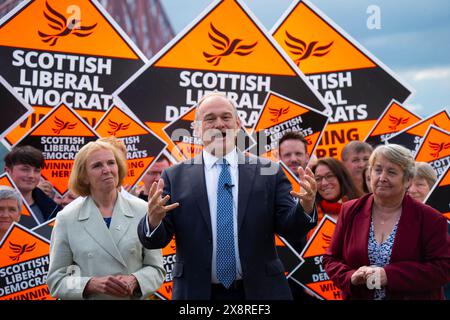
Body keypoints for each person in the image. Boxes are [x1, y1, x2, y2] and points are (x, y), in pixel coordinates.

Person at [137, 92, 318, 300]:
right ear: (197, 129)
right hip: (198, 294)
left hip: (262, 292)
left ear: (238, 124)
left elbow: (291, 228)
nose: (220, 124)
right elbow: (155, 240)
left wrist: (305, 207)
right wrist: (153, 220)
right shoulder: (174, 176)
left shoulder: (269, 171)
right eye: (210, 118)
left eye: (226, 117)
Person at [323, 144, 450, 300]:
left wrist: (389, 275)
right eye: (377, 170)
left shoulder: (431, 219)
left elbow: (443, 269)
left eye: (391, 172)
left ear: (408, 180)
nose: (382, 178)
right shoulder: (350, 211)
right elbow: (331, 259)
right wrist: (351, 277)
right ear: (369, 173)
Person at [46, 140, 165, 300]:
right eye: (97, 166)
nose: (107, 170)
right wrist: (90, 284)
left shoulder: (142, 210)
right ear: (84, 176)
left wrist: (135, 280)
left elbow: (156, 268)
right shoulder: (67, 218)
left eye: (111, 163)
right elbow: (56, 280)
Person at [4, 145, 61, 223]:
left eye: (37, 171)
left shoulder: (54, 210)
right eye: (25, 169)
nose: (31, 175)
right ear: (7, 171)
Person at [312, 157, 361, 226]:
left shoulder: (362, 207)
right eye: (318, 179)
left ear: (341, 178)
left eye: (329, 176)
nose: (324, 183)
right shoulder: (310, 214)